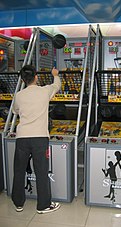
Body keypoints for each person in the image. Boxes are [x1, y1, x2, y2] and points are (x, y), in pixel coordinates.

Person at [11, 65, 61, 214]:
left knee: (19, 170)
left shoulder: (19, 95)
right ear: (36, 77)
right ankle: (43, 205)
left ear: (22, 79)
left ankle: (18, 203)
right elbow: (57, 85)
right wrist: (55, 74)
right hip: (40, 138)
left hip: (22, 138)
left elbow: (15, 110)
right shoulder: (44, 91)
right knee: (41, 171)